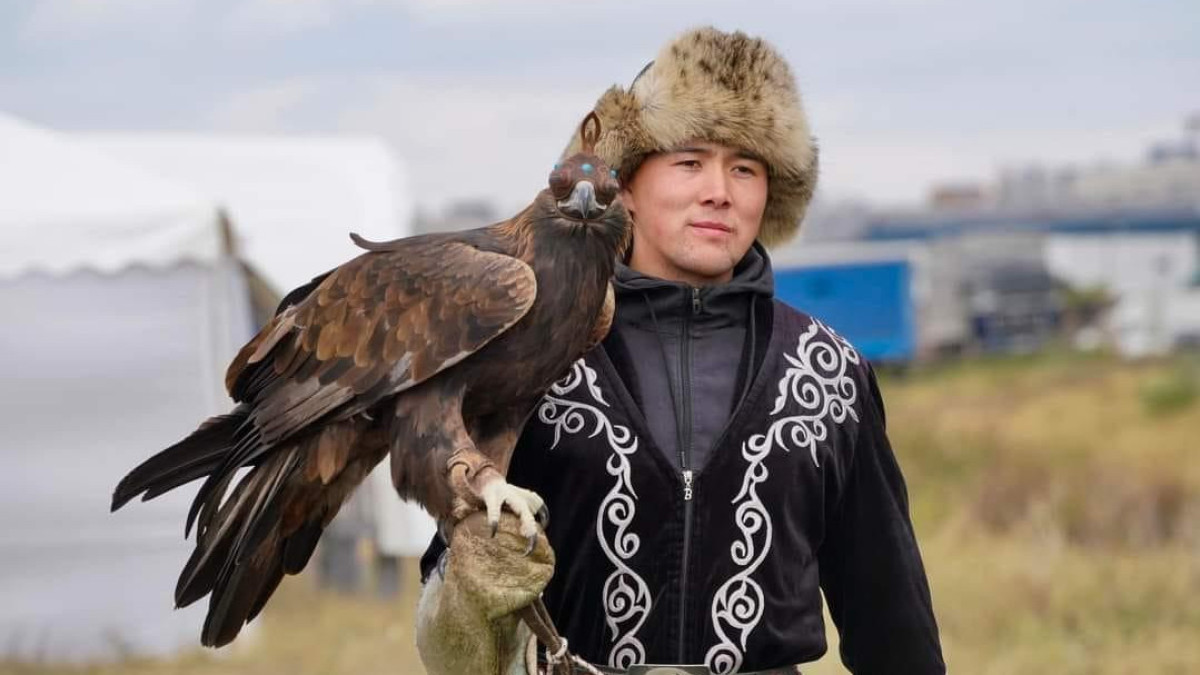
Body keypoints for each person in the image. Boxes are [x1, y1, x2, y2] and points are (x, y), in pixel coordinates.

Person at [421, 26, 945, 674]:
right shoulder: (535, 362)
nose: (719, 190)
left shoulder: (829, 372)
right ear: (627, 186)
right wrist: (465, 574)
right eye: (690, 161)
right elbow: (448, 608)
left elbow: (890, 619)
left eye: (745, 168)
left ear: (769, 195)